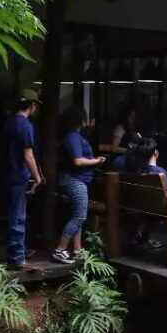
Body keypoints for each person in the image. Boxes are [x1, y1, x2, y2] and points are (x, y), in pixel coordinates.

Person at [52, 106, 106, 264]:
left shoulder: (72, 136)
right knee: (80, 216)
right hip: (75, 180)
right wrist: (97, 161)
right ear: (79, 120)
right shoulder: (73, 137)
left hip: (75, 179)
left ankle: (78, 250)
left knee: (78, 215)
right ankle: (60, 250)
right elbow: (78, 160)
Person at [1, 89, 43, 273]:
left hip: (8, 173)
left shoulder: (9, 122)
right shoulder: (25, 125)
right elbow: (28, 155)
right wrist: (38, 177)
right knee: (18, 216)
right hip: (19, 175)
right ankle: (18, 258)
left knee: (15, 215)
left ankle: (19, 251)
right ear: (32, 105)